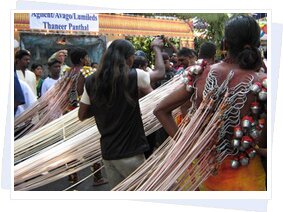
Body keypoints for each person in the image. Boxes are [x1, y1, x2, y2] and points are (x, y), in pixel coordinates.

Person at [153, 15, 267, 191]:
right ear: (256, 44)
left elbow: (160, 110)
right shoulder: (263, 82)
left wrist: (187, 146)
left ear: (225, 44)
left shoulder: (200, 73)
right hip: (244, 179)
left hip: (204, 173)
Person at [78, 38, 165, 189]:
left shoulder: (92, 81)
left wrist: (104, 104)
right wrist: (156, 48)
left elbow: (82, 115)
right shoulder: (133, 76)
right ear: (127, 57)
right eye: (132, 56)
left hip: (108, 154)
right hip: (130, 153)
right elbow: (160, 72)